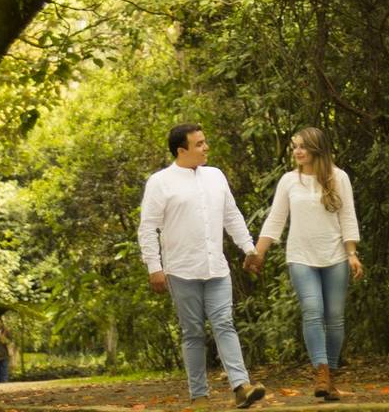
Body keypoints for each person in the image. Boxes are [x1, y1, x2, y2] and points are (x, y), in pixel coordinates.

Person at [137, 123, 266, 409]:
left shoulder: (215, 176)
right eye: (199, 144)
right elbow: (148, 228)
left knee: (224, 324)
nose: (206, 147)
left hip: (216, 268)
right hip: (181, 270)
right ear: (181, 150)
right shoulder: (160, 182)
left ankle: (241, 386)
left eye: (205, 142)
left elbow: (232, 215)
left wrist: (249, 249)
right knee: (193, 332)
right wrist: (153, 267)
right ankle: (199, 396)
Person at [244, 126, 363, 401]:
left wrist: (352, 253)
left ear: (317, 149)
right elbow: (275, 219)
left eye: (302, 146)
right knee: (312, 311)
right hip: (301, 256)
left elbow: (348, 217)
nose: (297, 151)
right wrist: (257, 252)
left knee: (334, 318)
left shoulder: (339, 177)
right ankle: (321, 372)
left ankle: (331, 375)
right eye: (294, 146)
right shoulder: (289, 180)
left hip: (335, 256)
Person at [0, 317, 12, 383]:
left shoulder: (6, 331)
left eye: (0, 322)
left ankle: (5, 383)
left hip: (5, 353)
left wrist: (4, 340)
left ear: (2, 323)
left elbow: (10, 341)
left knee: (4, 370)